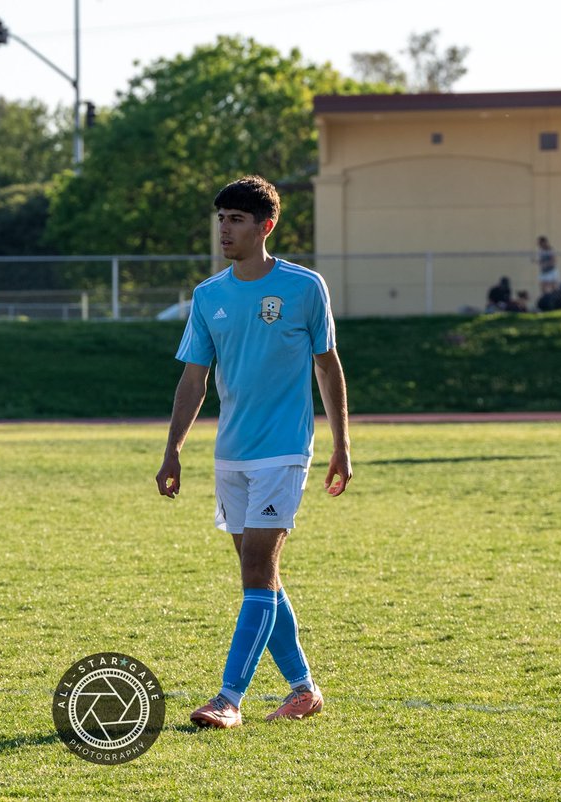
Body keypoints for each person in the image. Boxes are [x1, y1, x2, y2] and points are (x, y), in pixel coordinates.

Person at [155, 175, 352, 729]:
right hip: (231, 454)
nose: (225, 228)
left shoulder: (304, 287)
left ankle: (228, 699)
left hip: (285, 451)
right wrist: (173, 450)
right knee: (259, 577)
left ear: (265, 226)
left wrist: (341, 444)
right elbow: (194, 379)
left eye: (237, 219)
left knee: (258, 571)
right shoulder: (209, 296)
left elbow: (327, 364)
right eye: (221, 218)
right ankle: (304, 690)